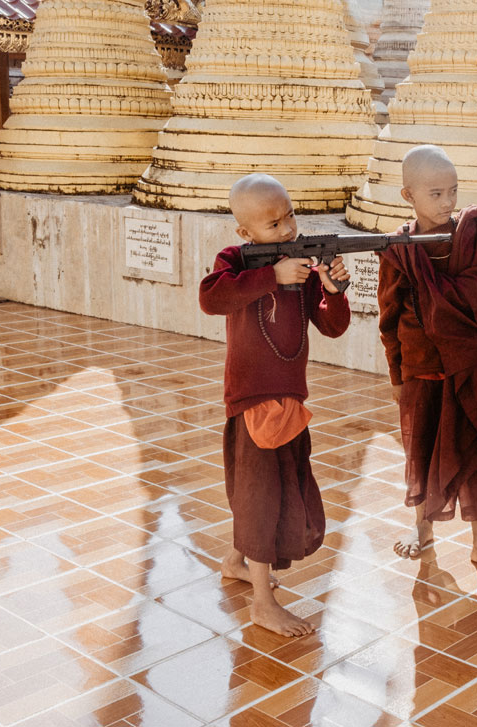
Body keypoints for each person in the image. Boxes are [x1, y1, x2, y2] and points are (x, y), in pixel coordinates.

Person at [199, 173, 351, 636]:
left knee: (271, 488)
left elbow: (332, 326)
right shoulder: (234, 262)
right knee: (262, 497)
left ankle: (235, 561)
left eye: (290, 217)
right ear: (245, 234)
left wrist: (331, 290)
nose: (287, 230)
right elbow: (211, 298)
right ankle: (262, 604)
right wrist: (271, 276)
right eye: (273, 224)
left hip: (290, 397)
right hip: (252, 401)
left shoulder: (301, 262)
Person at [377, 145, 477, 582]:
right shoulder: (399, 250)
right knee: (420, 454)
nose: (447, 203)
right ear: (408, 196)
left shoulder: (472, 241)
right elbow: (387, 319)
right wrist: (397, 374)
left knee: (475, 455)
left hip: (466, 370)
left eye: (453, 192)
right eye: (435, 193)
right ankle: (422, 529)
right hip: (420, 372)